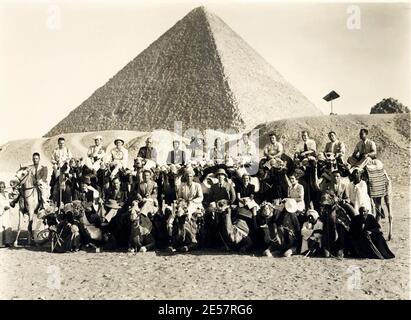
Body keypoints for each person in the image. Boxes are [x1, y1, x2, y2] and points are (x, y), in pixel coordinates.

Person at [0, 181, 12, 247]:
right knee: (0, 228)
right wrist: (3, 208)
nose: (1, 188)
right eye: (0, 187)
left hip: (7, 213)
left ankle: (8, 242)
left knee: (8, 227)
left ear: (4, 187)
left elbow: (11, 201)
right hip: (1, 213)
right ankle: (0, 243)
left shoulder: (7, 194)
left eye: (2, 187)